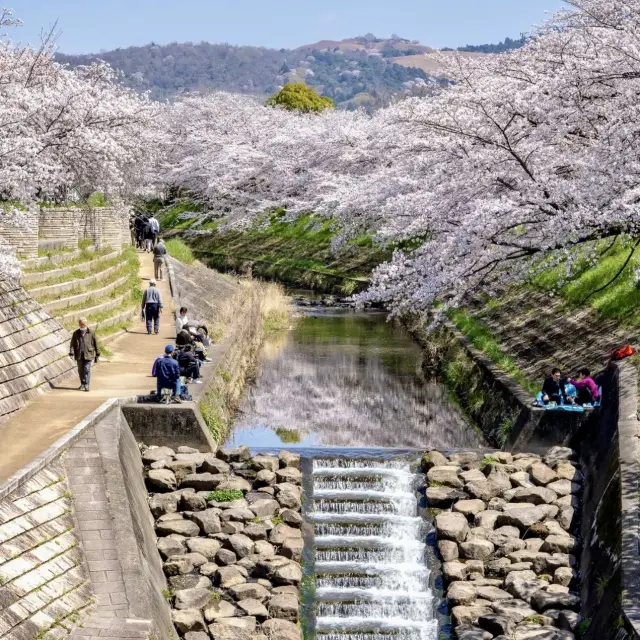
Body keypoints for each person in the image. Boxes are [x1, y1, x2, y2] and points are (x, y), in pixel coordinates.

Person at [68, 317, 100, 392]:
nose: (82, 325)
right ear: (79, 324)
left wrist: (97, 353)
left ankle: (86, 384)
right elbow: (72, 344)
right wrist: (71, 352)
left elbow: (96, 343)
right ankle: (82, 383)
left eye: (84, 323)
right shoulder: (76, 333)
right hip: (79, 354)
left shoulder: (91, 332)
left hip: (89, 354)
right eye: (81, 323)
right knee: (80, 370)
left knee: (86, 369)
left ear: (86, 323)